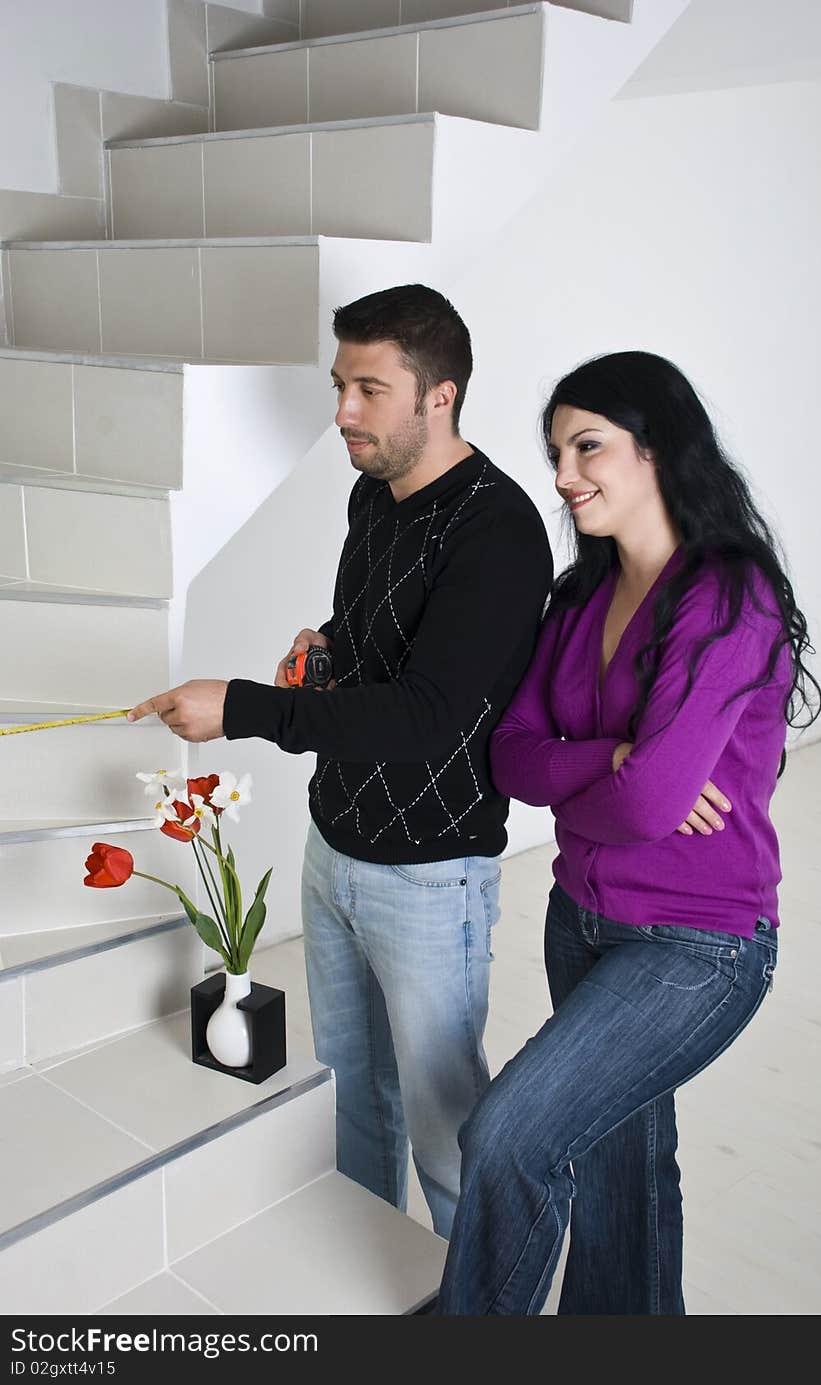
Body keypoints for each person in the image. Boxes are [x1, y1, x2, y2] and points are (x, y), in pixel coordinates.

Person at [127, 284, 554, 1239]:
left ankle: (478, 1312)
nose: (341, 414)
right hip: (335, 849)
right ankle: (380, 1290)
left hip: (431, 874)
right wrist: (327, 645)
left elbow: (430, 718)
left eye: (369, 389)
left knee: (449, 1137)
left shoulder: (498, 530)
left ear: (438, 396)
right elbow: (386, 651)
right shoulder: (373, 494)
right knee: (356, 1103)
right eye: (338, 385)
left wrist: (240, 705)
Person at [436, 350, 821, 1314]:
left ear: (657, 449)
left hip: (700, 944)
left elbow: (652, 807)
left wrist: (615, 773)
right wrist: (616, 760)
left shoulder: (730, 594)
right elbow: (512, 759)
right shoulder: (576, 602)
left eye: (588, 446)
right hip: (582, 920)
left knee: (511, 1135)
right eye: (557, 451)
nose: (564, 475)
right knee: (623, 1175)